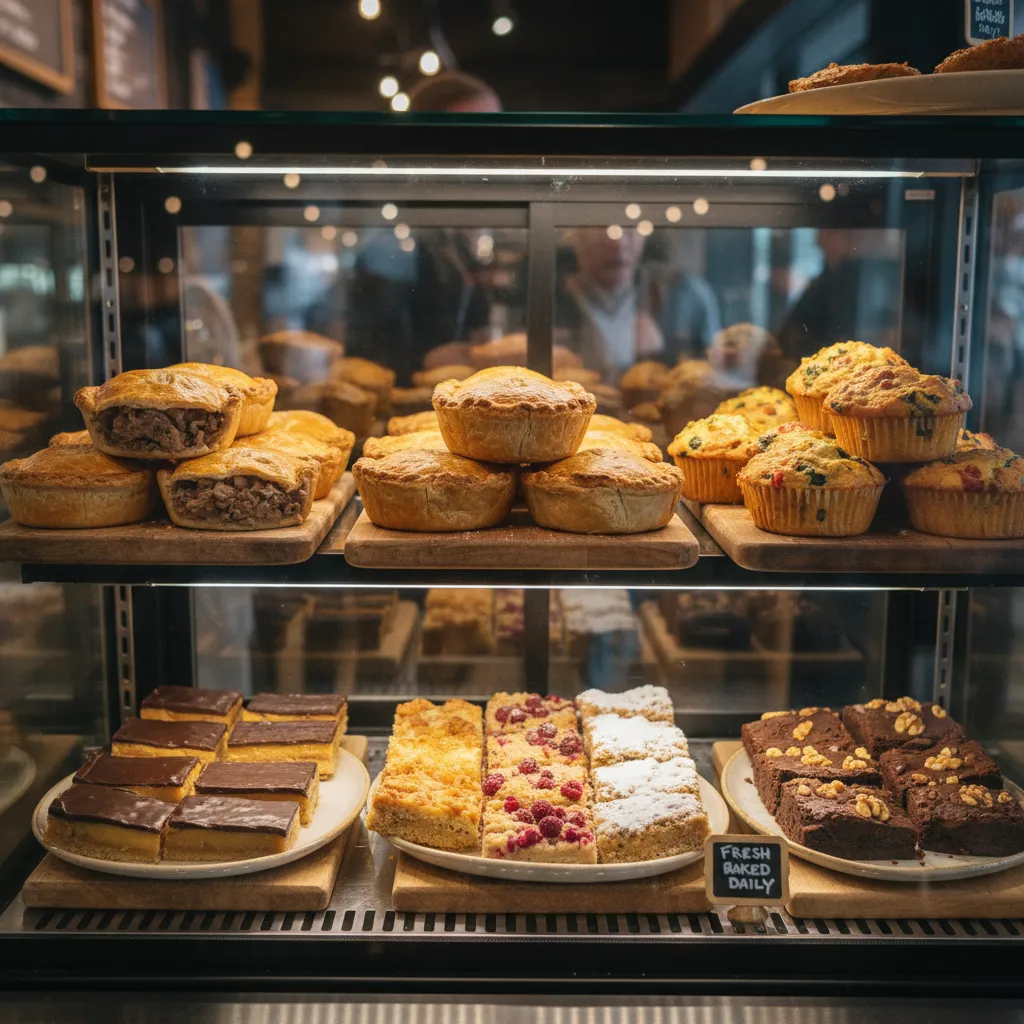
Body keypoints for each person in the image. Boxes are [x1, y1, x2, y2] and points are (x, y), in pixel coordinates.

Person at [555, 227, 722, 382]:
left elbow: (718, 371)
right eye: (601, 227)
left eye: (629, 227)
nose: (617, 243)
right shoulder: (542, 292)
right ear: (574, 235)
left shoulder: (685, 294)